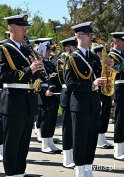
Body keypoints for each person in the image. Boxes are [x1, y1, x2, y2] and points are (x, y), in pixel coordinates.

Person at [0, 13, 44, 176]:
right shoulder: (4, 49)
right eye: (22, 27)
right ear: (11, 29)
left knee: (23, 144)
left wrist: (39, 68)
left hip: (28, 101)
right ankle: (11, 173)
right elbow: (2, 77)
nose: (25, 30)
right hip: (13, 101)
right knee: (12, 144)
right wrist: (30, 69)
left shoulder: (26, 48)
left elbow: (35, 77)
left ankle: (19, 173)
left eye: (25, 27)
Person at [64, 21, 108, 176]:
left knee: (91, 139)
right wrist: (92, 84)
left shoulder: (94, 57)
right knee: (80, 139)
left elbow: (100, 76)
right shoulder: (72, 58)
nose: (91, 37)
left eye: (91, 34)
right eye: (88, 34)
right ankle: (80, 171)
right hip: (80, 105)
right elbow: (70, 84)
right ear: (79, 36)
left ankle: (88, 169)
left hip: (94, 104)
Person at [35, 39, 62, 154]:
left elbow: (56, 79)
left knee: (52, 120)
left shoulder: (50, 63)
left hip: (54, 95)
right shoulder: (38, 64)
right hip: (44, 95)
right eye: (47, 50)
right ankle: (45, 145)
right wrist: (44, 91)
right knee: (46, 120)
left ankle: (50, 142)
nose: (49, 52)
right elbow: (36, 81)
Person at [58, 36, 77, 168]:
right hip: (67, 95)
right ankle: (67, 158)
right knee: (67, 128)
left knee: (76, 129)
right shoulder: (62, 60)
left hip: (76, 96)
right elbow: (64, 78)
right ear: (68, 47)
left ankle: (74, 156)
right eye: (73, 47)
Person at [92, 44, 113, 149]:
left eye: (104, 52)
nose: (104, 54)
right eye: (101, 53)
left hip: (106, 91)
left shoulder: (104, 63)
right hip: (98, 92)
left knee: (106, 113)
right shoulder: (95, 63)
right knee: (101, 114)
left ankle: (103, 136)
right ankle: (99, 139)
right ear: (97, 53)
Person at [109, 32, 124, 160]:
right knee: (120, 119)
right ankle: (118, 150)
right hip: (119, 88)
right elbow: (121, 69)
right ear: (116, 42)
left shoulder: (121, 54)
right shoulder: (112, 55)